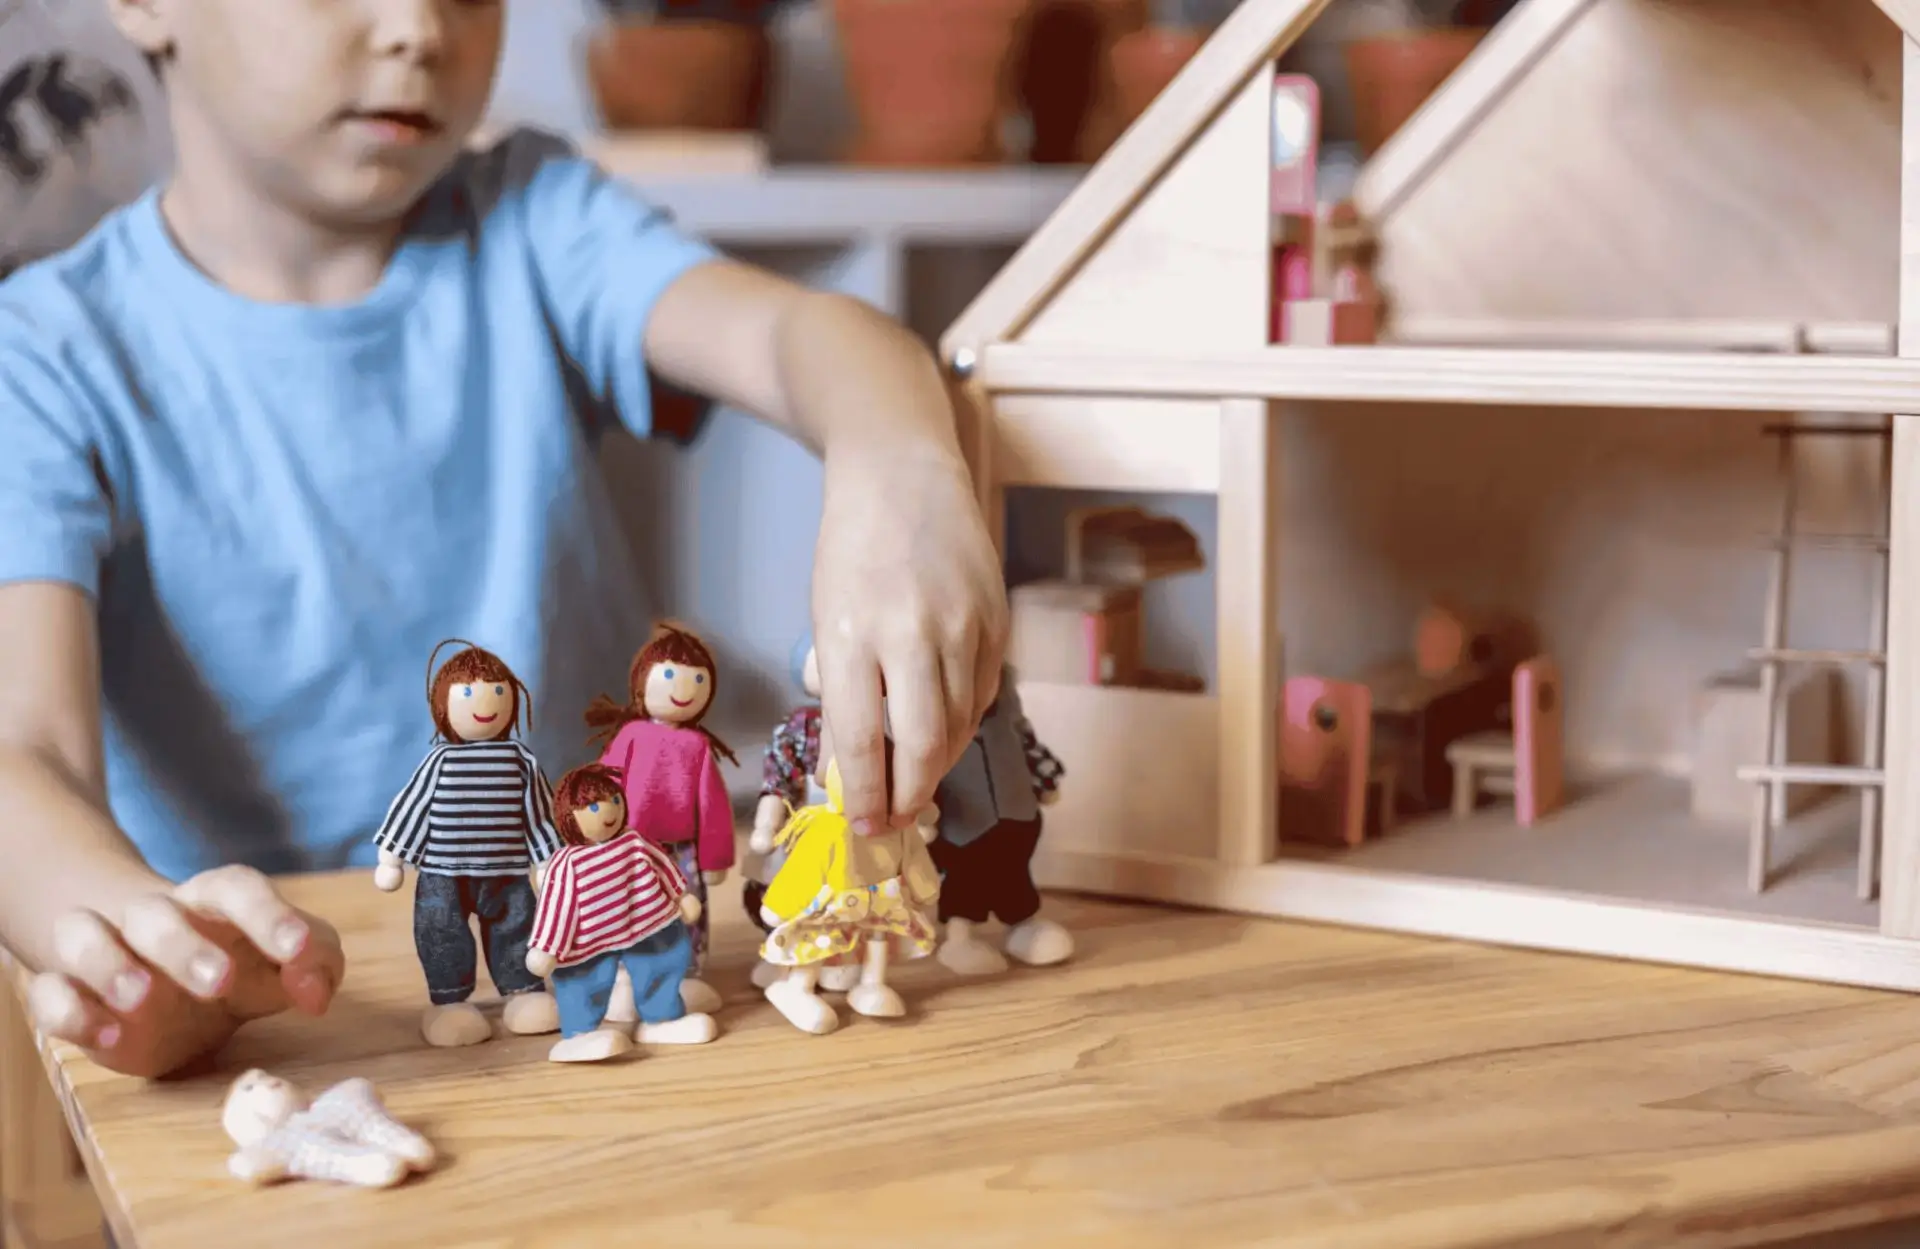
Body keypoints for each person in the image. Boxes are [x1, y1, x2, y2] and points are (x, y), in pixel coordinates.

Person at [0, 0, 1007, 1081]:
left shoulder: (533, 211)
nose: (419, 27)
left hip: (582, 978)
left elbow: (803, 332)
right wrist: (134, 940)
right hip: (275, 1043)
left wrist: (900, 462)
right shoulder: (45, 356)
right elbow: (25, 753)